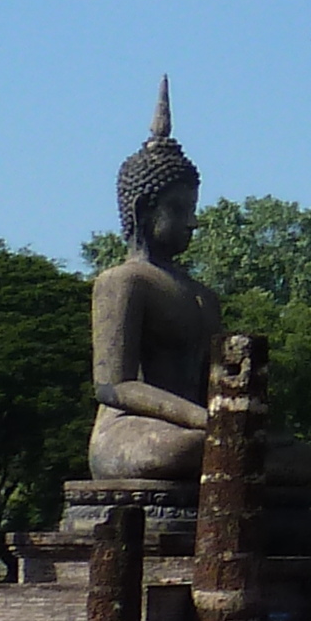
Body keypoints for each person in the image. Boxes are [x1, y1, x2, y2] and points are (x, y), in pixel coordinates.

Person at [88, 82, 221, 482]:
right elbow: (114, 386)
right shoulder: (123, 282)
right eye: (179, 210)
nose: (192, 222)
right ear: (144, 209)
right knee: (194, 449)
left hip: (202, 425)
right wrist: (206, 420)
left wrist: (237, 422)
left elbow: (212, 383)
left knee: (298, 459)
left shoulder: (203, 296)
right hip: (132, 430)